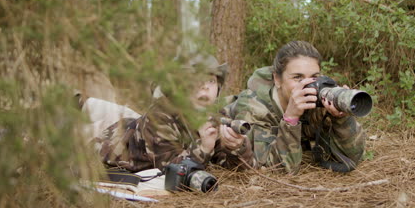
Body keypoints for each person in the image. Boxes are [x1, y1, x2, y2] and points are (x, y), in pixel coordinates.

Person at [82, 54, 255, 173]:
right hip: (103, 149)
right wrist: (203, 149)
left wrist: (236, 147)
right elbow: (169, 172)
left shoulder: (216, 114)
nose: (205, 86)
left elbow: (238, 170)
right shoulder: (159, 117)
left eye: (211, 80)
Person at [224, 40, 366, 174]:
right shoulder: (254, 109)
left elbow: (353, 157)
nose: (307, 85)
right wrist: (291, 118)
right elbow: (271, 169)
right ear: (277, 79)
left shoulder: (316, 99)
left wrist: (341, 119)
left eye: (314, 77)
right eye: (297, 77)